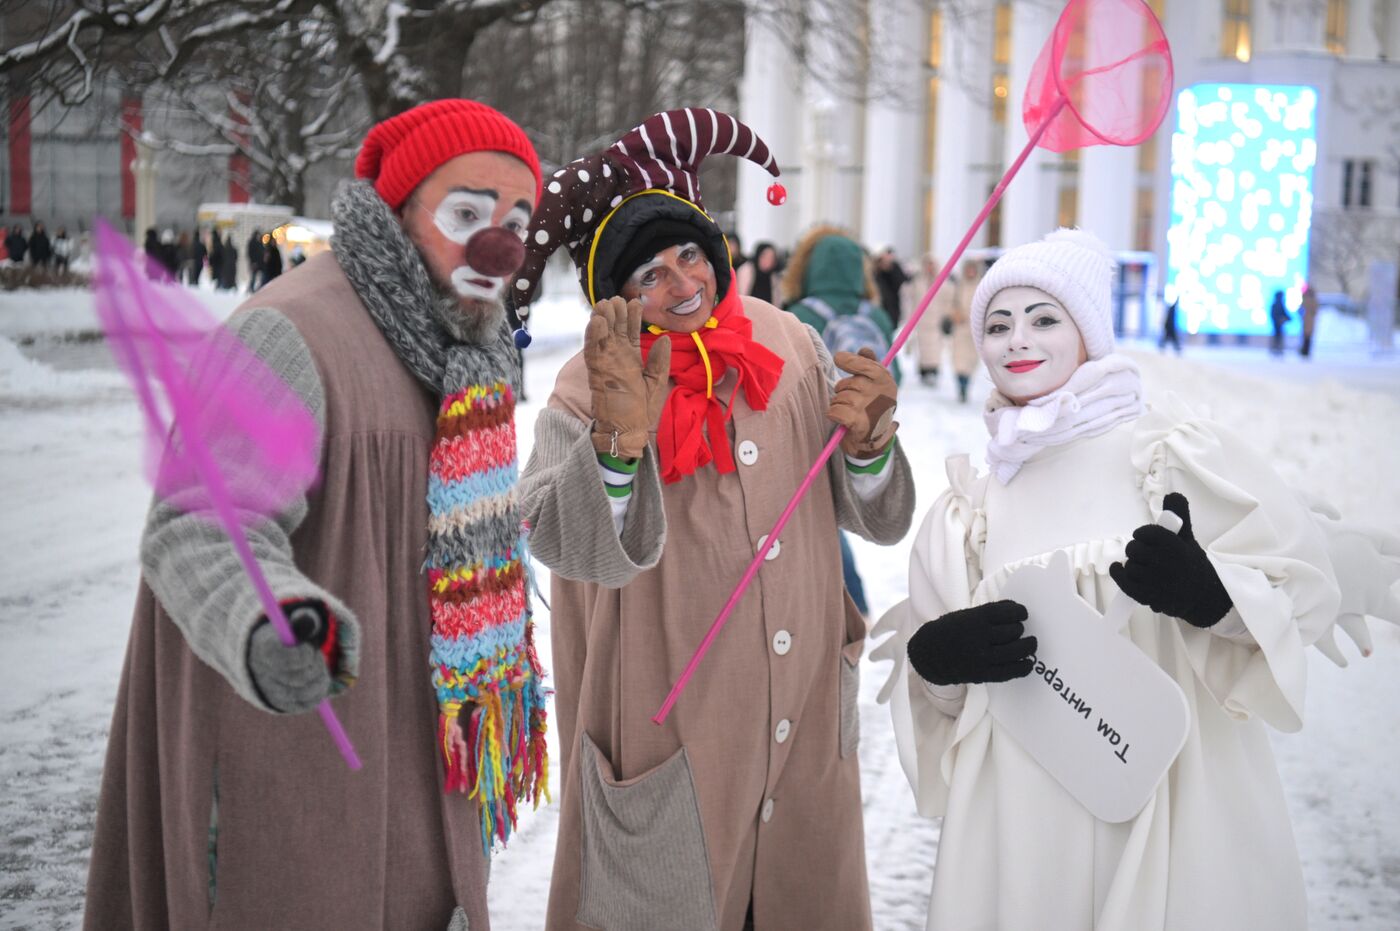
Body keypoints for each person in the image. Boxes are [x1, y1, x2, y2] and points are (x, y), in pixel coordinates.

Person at [84, 99, 547, 931]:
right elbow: (200, 523)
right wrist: (273, 619)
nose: (500, 243)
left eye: (517, 218)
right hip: (300, 760)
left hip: (420, 758)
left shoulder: (465, 354)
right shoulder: (288, 330)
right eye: (468, 212)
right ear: (398, 208)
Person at [874, 228, 1394, 931]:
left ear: (1090, 332)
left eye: (1044, 318)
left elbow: (1295, 584)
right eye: (997, 324)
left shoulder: (1166, 455)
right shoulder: (972, 507)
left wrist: (1214, 597)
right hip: (1028, 811)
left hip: (1170, 797)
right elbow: (940, 695)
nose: (1016, 339)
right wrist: (940, 658)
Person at [511, 109, 916, 931]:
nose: (682, 283)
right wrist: (620, 444)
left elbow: (874, 516)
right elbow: (560, 539)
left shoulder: (788, 341)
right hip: (671, 743)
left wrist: (870, 443)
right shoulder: (586, 386)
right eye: (647, 275)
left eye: (689, 253)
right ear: (614, 303)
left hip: (800, 717)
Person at [874, 245, 910, 330]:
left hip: (892, 311)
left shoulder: (895, 268)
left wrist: (890, 267)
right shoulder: (876, 272)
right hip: (879, 309)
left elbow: (902, 282)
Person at [1299, 285, 1319, 358]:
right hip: (1309, 320)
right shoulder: (1313, 300)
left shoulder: (1305, 299)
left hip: (1305, 320)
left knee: (1305, 336)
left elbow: (1300, 309)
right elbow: (1315, 310)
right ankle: (1305, 351)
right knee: (1308, 336)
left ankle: (1304, 351)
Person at [1269, 288, 1289, 355]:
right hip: (1276, 324)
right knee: (1277, 337)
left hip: (1279, 324)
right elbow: (1273, 315)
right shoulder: (1276, 304)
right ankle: (1275, 349)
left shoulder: (1278, 304)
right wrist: (1279, 319)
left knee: (1278, 337)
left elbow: (1284, 313)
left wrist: (1286, 319)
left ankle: (1277, 349)